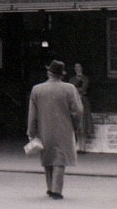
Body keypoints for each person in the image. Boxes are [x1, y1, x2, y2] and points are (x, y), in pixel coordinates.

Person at [27, 59, 84, 199]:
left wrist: (31, 131)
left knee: (47, 158)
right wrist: (75, 125)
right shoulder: (70, 89)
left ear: (48, 73)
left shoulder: (37, 89)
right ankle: (56, 190)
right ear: (62, 74)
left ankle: (49, 187)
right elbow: (78, 111)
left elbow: (32, 114)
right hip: (64, 128)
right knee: (60, 159)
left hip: (44, 128)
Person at [69, 63, 94, 152]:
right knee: (77, 123)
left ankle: (83, 146)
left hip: (82, 100)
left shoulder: (85, 78)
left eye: (79, 67)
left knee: (83, 123)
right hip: (74, 101)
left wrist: (76, 90)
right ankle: (77, 145)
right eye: (76, 67)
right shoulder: (72, 79)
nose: (77, 69)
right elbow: (70, 89)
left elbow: (83, 88)